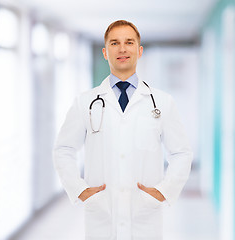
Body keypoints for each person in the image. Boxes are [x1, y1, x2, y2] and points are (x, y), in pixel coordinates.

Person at [53, 20, 193, 240]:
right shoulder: (85, 102)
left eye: (129, 42)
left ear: (139, 50)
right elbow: (64, 149)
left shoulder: (162, 103)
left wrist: (164, 191)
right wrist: (79, 189)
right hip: (102, 213)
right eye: (114, 43)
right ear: (105, 52)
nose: (122, 48)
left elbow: (181, 153)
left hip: (144, 214)